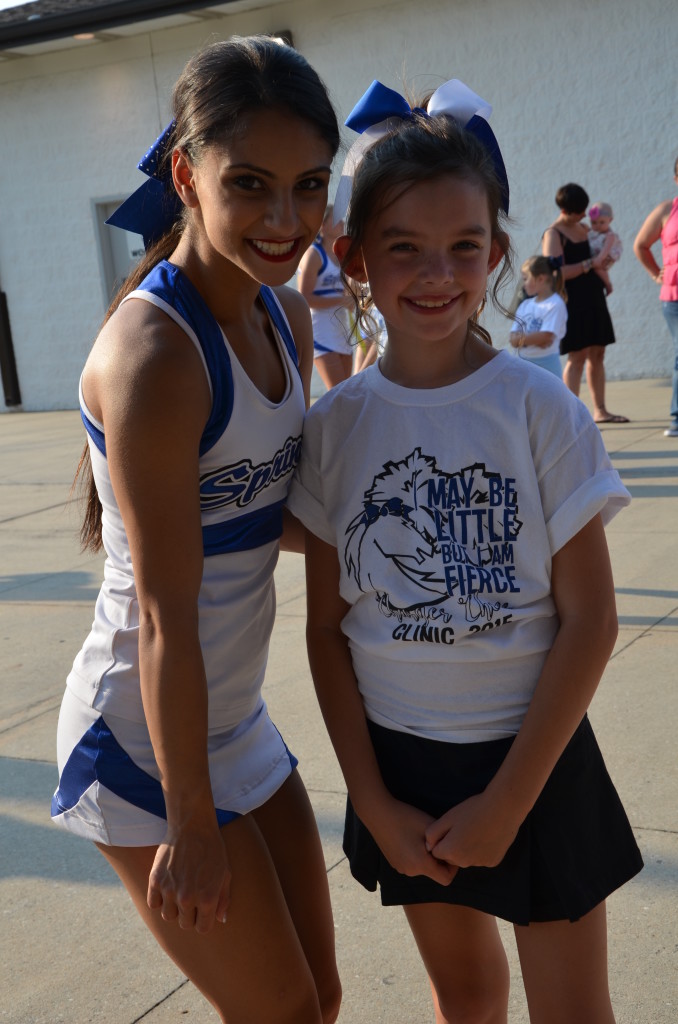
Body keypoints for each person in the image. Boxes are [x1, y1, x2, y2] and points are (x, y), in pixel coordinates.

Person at [287, 79, 643, 1024]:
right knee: (467, 999)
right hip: (401, 772)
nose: (436, 273)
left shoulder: (542, 412)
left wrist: (509, 802)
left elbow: (591, 621)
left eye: (463, 247)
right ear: (357, 259)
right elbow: (326, 632)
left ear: (494, 251)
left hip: (537, 761)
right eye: (403, 248)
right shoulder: (336, 428)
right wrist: (370, 795)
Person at [50, 36, 342, 1024]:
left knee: (320, 997)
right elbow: (169, 612)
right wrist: (192, 822)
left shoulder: (285, 318)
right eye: (249, 183)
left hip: (234, 718)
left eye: (308, 186)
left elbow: (269, 519)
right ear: (187, 173)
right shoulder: (155, 358)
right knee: (285, 1014)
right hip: (141, 739)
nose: (283, 218)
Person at [543, 182, 629, 424]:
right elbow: (555, 273)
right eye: (581, 211)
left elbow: (605, 248)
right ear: (567, 210)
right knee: (577, 355)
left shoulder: (583, 228)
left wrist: (607, 260)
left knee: (598, 352)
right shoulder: (554, 234)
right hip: (572, 300)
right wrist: (589, 264)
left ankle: (600, 410)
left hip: (593, 295)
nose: (585, 215)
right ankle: (570, 414)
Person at [633, 156, 678, 437]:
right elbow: (641, 245)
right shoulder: (666, 210)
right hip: (674, 296)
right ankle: (677, 417)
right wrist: (654, 273)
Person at [297, 205, 354, 388]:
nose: (342, 223)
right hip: (321, 331)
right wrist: (341, 301)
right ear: (322, 226)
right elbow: (303, 299)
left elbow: (349, 293)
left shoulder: (342, 255)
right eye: (335, 220)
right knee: (337, 393)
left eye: (342, 219)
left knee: (346, 392)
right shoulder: (314, 255)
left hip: (342, 329)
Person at [509, 254, 567, 377]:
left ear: (540, 279)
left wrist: (521, 339)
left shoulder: (555, 304)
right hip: (523, 363)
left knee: (550, 396)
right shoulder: (525, 305)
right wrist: (533, 339)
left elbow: (546, 337)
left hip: (547, 365)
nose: (523, 284)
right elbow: (512, 338)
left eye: (525, 279)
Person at [587, 202, 623, 295]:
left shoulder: (610, 236)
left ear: (610, 220)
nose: (598, 225)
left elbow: (606, 249)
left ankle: (608, 285)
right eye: (594, 222)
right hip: (596, 255)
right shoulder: (592, 232)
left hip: (606, 257)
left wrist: (599, 259)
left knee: (597, 269)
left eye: (602, 222)